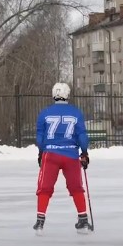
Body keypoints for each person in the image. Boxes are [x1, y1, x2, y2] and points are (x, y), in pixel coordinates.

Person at [33, 83, 91, 235]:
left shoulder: (44, 113)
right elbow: (82, 136)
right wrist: (84, 153)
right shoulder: (76, 113)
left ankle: (40, 221)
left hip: (50, 155)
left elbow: (40, 137)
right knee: (76, 187)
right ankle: (83, 220)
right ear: (67, 94)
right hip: (71, 155)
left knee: (44, 188)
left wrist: (41, 152)